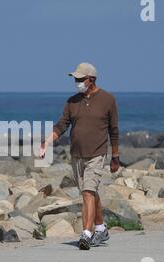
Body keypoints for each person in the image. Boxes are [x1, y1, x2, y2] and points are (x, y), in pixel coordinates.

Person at [39, 63, 120, 250]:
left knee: (87, 192)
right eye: (75, 79)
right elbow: (62, 125)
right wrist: (47, 142)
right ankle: (101, 228)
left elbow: (113, 130)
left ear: (90, 79)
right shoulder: (72, 101)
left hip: (97, 154)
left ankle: (86, 233)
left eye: (79, 79)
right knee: (90, 192)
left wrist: (115, 156)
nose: (76, 82)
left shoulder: (108, 100)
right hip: (76, 155)